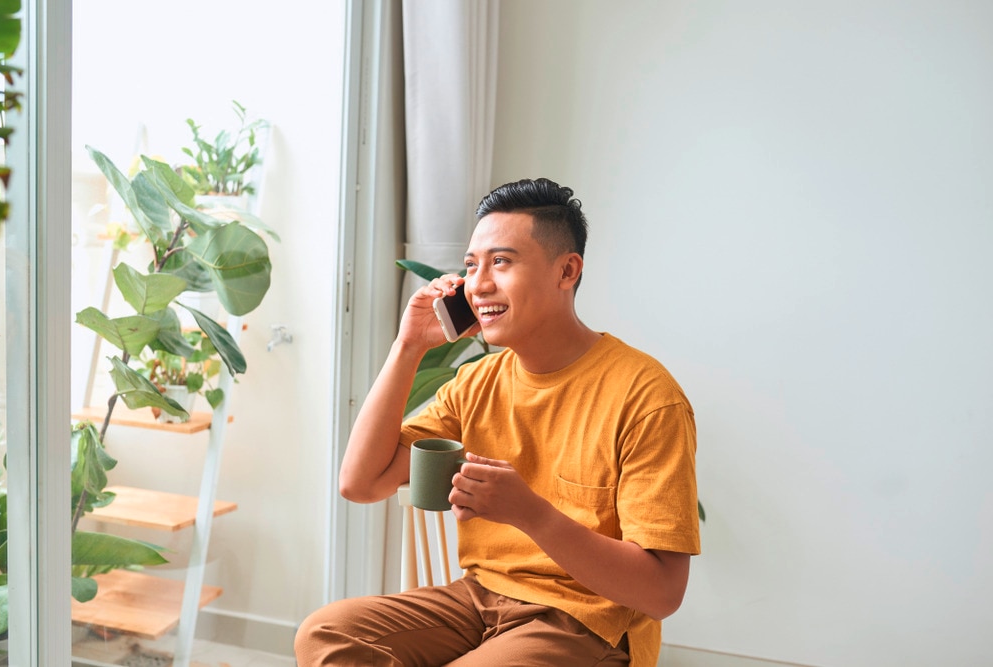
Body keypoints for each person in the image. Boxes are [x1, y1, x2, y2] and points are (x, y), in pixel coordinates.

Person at [295, 178, 700, 667]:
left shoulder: (647, 396)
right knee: (327, 634)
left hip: (589, 621)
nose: (478, 283)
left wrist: (530, 513)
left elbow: (661, 593)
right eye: (471, 265)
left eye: (502, 262)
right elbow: (361, 482)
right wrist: (409, 346)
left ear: (567, 271)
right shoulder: (476, 382)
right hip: (480, 599)